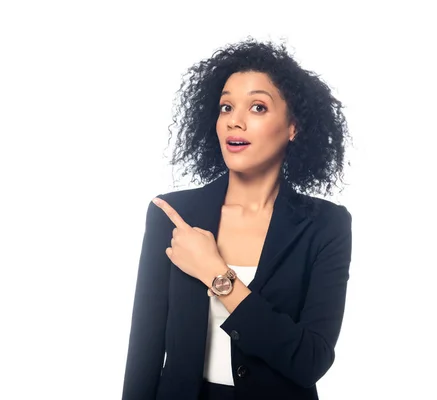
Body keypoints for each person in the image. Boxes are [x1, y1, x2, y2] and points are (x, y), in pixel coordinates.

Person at [121, 38, 352, 400]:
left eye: (257, 107)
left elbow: (309, 361)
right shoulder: (172, 215)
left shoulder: (325, 225)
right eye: (226, 107)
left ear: (294, 127)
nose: (235, 122)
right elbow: (144, 351)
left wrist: (217, 274)